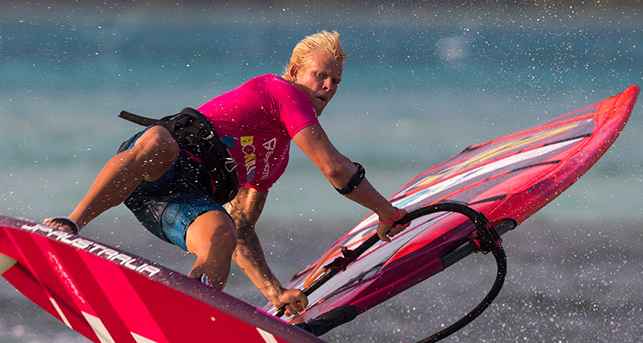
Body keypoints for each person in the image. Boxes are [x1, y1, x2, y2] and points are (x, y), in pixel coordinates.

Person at [44, 31, 408, 317]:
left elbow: (243, 226)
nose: (328, 87)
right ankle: (69, 224)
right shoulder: (280, 91)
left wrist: (274, 291)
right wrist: (387, 213)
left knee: (223, 233)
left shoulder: (276, 159)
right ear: (296, 73)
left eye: (336, 81)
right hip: (147, 168)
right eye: (320, 75)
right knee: (159, 140)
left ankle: (194, 308)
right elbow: (335, 168)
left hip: (176, 204)